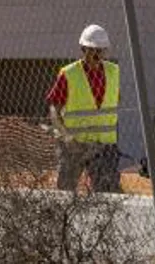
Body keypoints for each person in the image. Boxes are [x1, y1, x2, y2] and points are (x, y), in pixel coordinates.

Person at [45, 23, 121, 192]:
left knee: (107, 193)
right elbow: (54, 110)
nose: (97, 54)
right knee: (65, 191)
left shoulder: (114, 72)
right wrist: (67, 137)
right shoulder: (69, 74)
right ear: (83, 49)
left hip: (104, 145)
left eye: (101, 50)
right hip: (75, 145)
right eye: (93, 49)